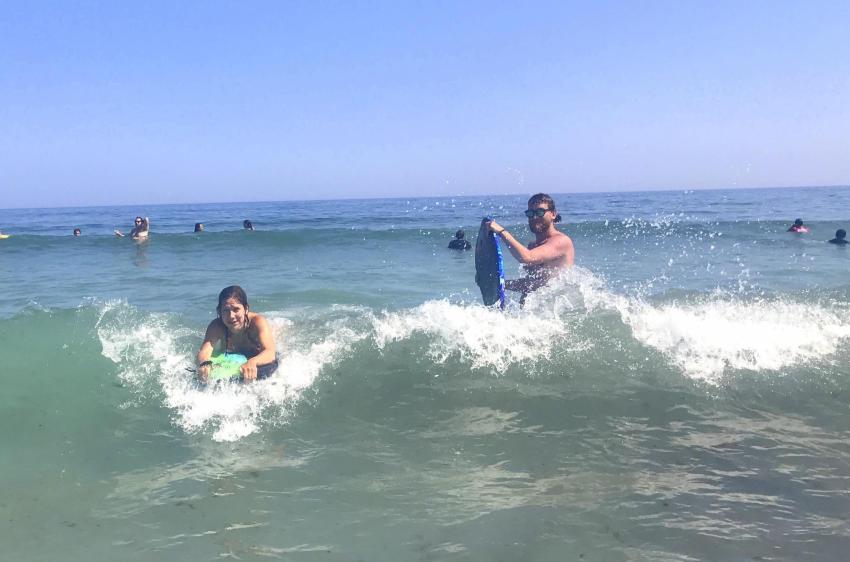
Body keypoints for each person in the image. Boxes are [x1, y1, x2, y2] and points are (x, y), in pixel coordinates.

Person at [487, 193, 575, 300]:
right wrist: (500, 284)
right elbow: (531, 284)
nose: (534, 217)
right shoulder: (533, 246)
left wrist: (502, 232)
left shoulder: (562, 241)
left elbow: (527, 257)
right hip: (533, 309)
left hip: (554, 307)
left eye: (540, 212)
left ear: (553, 214)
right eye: (530, 213)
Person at [196, 285, 278, 383]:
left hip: (257, 348)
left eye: (236, 309)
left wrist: (252, 362)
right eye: (226, 310)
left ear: (246, 309)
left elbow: (270, 352)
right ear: (219, 312)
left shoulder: (257, 322)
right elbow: (205, 350)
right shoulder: (216, 326)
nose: (231, 316)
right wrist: (204, 364)